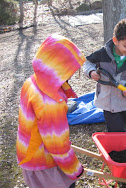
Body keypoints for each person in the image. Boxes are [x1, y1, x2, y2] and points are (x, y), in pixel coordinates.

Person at [16, 34, 86, 188]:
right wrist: (76, 170)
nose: (73, 73)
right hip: (43, 163)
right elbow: (57, 145)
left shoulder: (32, 80)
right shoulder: (51, 101)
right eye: (71, 68)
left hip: (28, 150)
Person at [83, 19, 126, 132]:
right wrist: (91, 72)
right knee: (115, 131)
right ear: (115, 41)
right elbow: (87, 63)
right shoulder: (102, 54)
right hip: (108, 102)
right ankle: (117, 148)